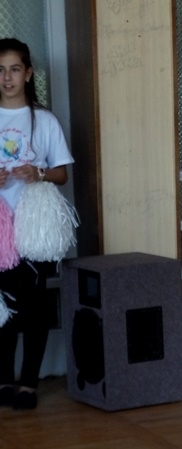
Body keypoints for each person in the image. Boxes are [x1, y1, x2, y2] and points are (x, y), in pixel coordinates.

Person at [0, 38, 74, 410]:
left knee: (33, 305)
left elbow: (62, 174)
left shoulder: (44, 121)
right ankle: (3, 380)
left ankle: (28, 383)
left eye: (14, 69)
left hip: (35, 226)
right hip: (1, 230)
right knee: (3, 305)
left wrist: (38, 173)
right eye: (0, 70)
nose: (7, 77)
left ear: (28, 74)